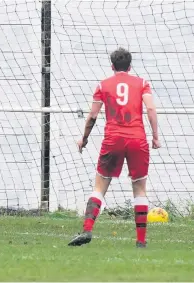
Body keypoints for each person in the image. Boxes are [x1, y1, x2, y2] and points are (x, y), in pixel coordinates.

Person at [68, 47, 161, 248]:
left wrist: (83, 139)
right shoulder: (142, 83)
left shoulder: (103, 85)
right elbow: (151, 109)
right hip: (137, 139)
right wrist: (155, 137)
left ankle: (87, 229)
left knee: (100, 186)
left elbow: (92, 116)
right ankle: (141, 241)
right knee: (139, 188)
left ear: (112, 66)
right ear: (130, 66)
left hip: (113, 139)